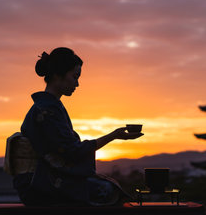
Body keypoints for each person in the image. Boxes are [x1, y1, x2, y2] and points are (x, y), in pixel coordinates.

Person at [13, 47, 143, 206]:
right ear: (57, 75)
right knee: (107, 190)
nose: (77, 83)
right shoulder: (47, 111)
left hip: (45, 178)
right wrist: (112, 136)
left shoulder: (47, 108)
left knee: (108, 186)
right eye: (75, 77)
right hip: (41, 184)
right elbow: (72, 151)